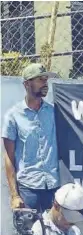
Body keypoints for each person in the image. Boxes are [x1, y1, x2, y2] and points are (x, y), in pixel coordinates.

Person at [2, 63, 59, 213]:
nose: (45, 84)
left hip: (52, 186)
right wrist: (14, 195)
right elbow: (9, 157)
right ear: (27, 84)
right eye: (40, 80)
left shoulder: (53, 113)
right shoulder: (13, 116)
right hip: (28, 188)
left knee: (54, 234)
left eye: (46, 80)